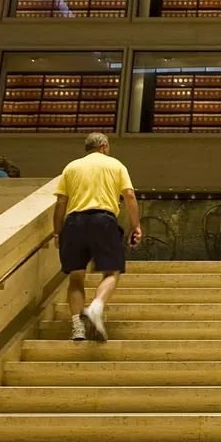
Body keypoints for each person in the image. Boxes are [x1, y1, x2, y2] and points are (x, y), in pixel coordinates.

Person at [53, 133, 142, 342]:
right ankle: (96, 306)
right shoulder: (115, 165)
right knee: (112, 271)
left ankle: (78, 328)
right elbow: (129, 196)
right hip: (104, 221)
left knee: (76, 277)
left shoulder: (71, 167)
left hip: (74, 223)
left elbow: (60, 203)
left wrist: (58, 231)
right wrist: (136, 225)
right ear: (104, 146)